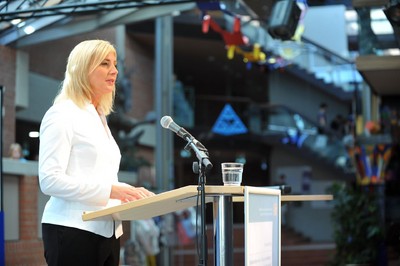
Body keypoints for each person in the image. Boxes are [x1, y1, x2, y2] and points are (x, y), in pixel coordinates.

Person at [38, 39, 155, 266]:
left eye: (114, 64)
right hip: (72, 229)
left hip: (108, 231)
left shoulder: (99, 115)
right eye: (104, 64)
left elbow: (100, 175)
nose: (114, 71)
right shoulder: (62, 114)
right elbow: (49, 180)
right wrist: (112, 191)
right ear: (82, 69)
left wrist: (128, 197)